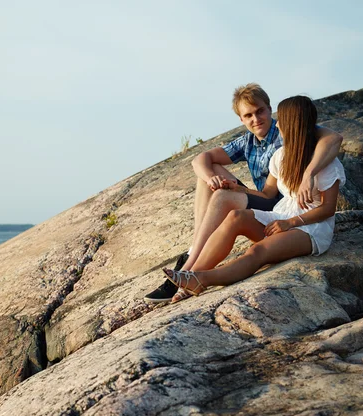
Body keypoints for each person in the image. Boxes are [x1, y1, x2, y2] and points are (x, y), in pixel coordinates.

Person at [145, 84, 343, 303]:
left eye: (263, 112)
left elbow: (328, 207)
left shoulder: (323, 160)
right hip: (280, 213)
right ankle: (188, 275)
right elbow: (267, 193)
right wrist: (235, 188)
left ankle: (201, 277)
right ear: (241, 118)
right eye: (248, 115)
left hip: (308, 226)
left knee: (256, 252)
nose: (259, 119)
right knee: (226, 204)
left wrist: (294, 214)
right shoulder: (279, 155)